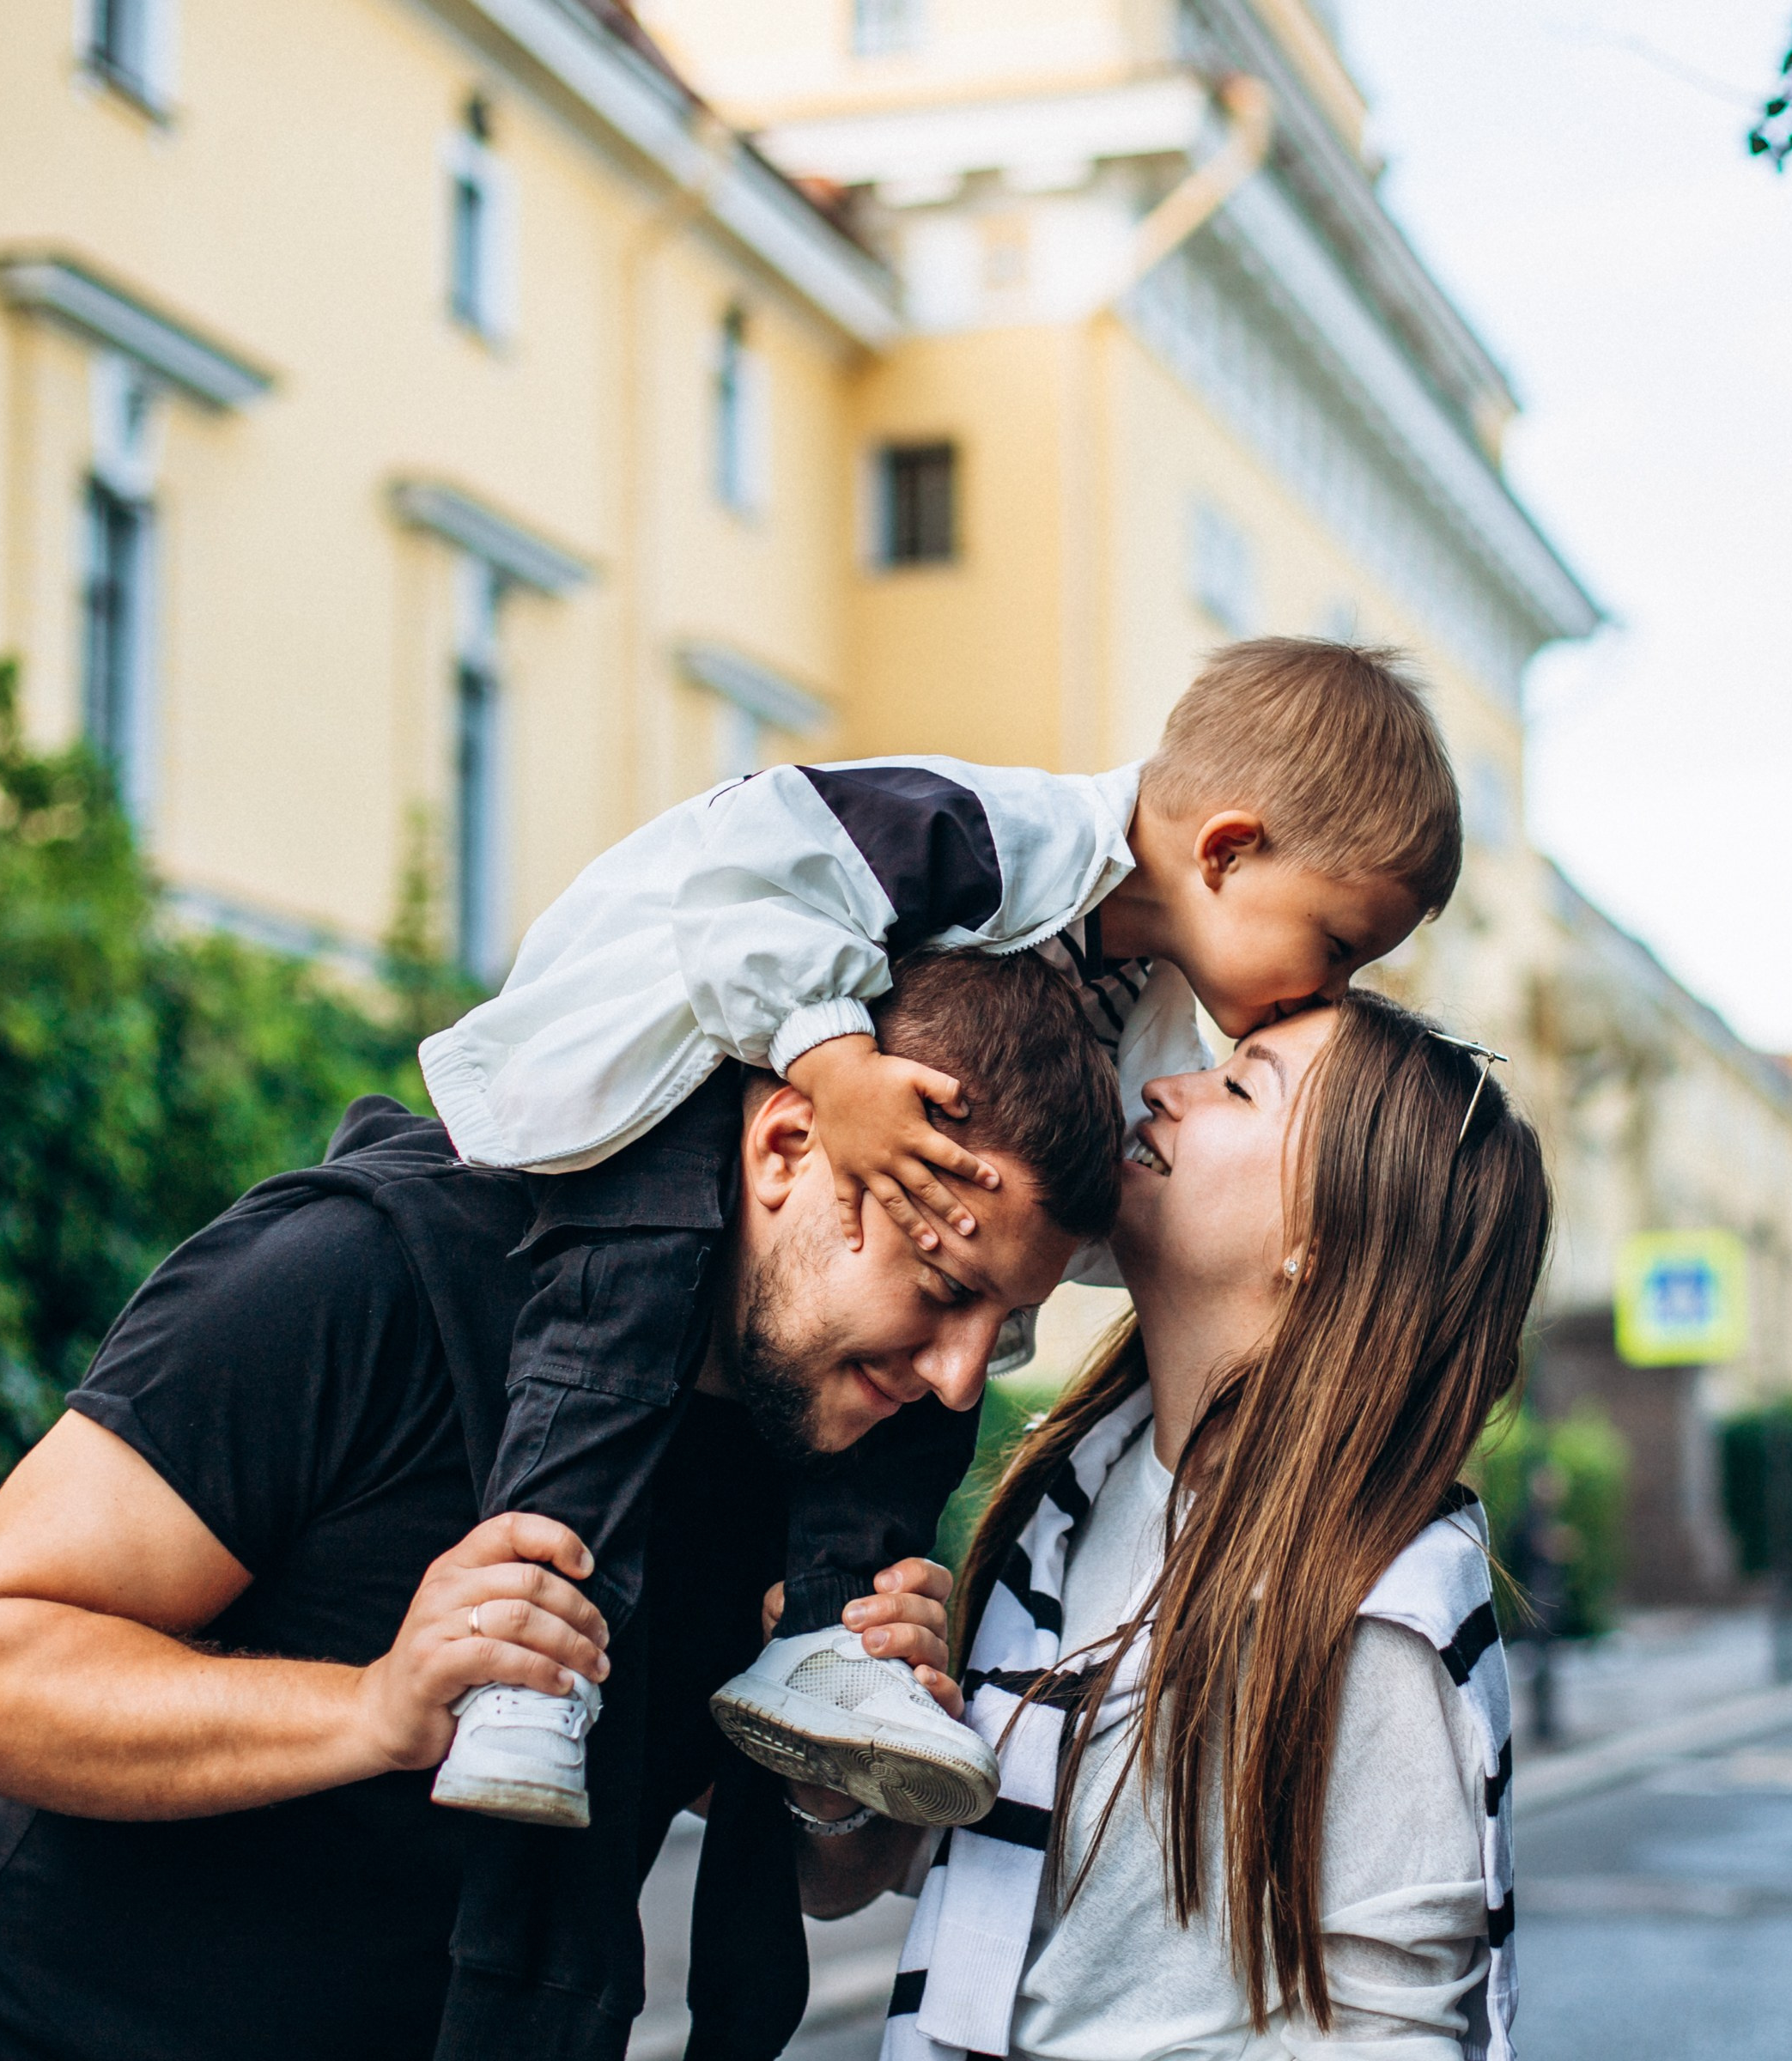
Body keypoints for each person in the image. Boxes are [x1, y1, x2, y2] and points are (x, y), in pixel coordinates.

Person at [0, 947, 1121, 2061]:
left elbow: (829, 1875)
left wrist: (832, 1781)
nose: (959, 1375)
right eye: (940, 1279)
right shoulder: (364, 1272)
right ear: (787, 1144)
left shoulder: (817, 1430)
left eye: (1002, 1331)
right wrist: (372, 1708)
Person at [418, 638, 1464, 1822]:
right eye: (1336, 947)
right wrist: (836, 1061)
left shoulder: (1151, 1006)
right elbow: (750, 871)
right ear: (1226, 850)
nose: (1329, 994)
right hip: (674, 1071)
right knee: (620, 1311)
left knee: (936, 1384)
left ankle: (835, 1640)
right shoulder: (994, 830)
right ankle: (531, 1663)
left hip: (819, 1160)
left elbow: (1134, 1201)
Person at [798, 990, 1552, 2061]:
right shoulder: (1074, 1494)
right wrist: (847, 1780)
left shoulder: (1378, 1603)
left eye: (1240, 1085)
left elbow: (1388, 2038)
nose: (1162, 1087)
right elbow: (968, 1888)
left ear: (1322, 1246)